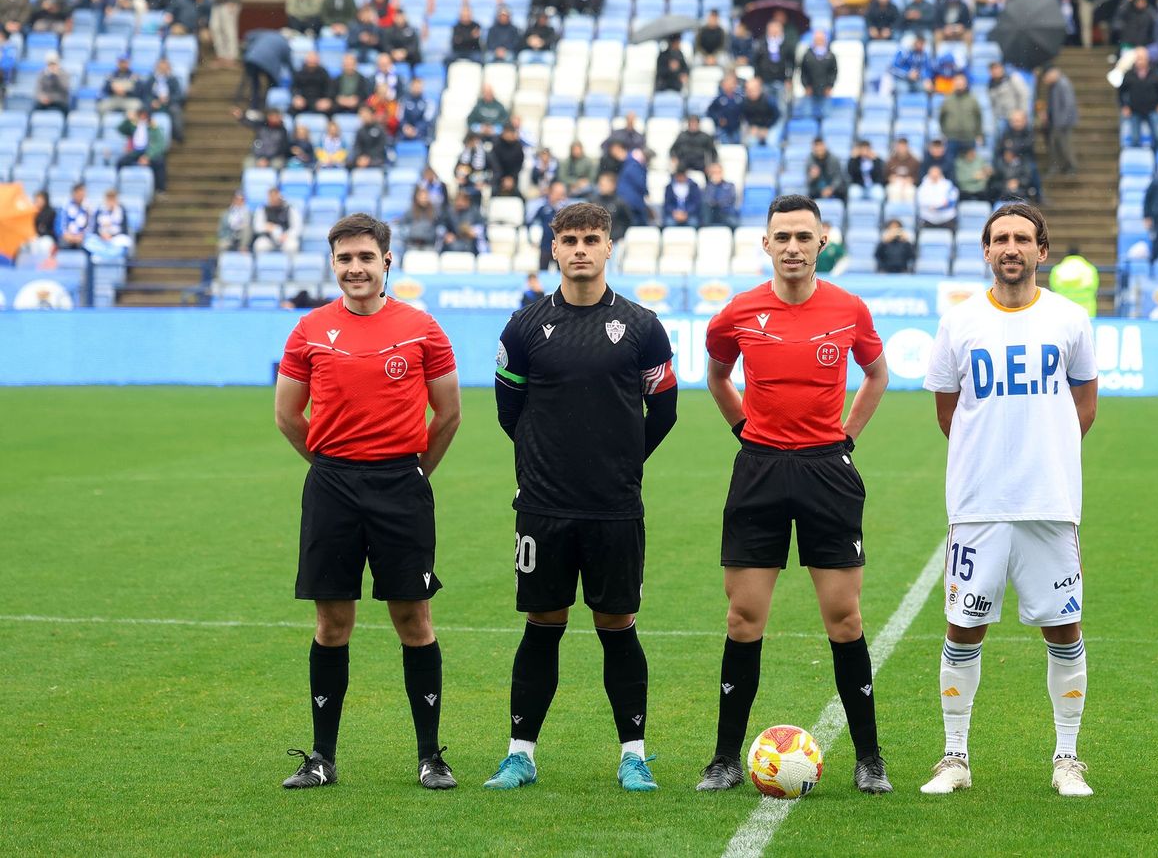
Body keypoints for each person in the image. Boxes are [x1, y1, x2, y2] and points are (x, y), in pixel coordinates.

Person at [696, 195, 892, 794]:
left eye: (804, 237)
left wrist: (845, 437)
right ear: (765, 243)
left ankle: (869, 759)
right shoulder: (737, 312)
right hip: (758, 471)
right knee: (743, 618)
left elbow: (877, 373)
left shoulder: (848, 308)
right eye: (782, 237)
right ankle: (726, 758)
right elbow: (717, 373)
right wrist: (742, 430)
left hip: (826, 472)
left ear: (822, 242)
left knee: (845, 618)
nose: (793, 247)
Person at [482, 201, 678, 793]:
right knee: (544, 622)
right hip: (542, 508)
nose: (580, 249)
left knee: (617, 622)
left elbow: (664, 411)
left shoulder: (643, 326)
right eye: (569, 239)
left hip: (615, 507)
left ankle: (634, 756)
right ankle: (520, 754)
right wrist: (547, 465)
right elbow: (507, 410)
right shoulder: (523, 327)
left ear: (609, 246)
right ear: (554, 249)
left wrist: (620, 464)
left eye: (591, 238)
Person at [274, 214, 461, 792]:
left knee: (413, 618)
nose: (355, 267)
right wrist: (332, 468)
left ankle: (431, 756)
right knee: (332, 622)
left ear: (386, 262)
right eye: (344, 258)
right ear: (334, 264)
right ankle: (322, 758)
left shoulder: (422, 328)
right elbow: (286, 414)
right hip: (332, 486)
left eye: (365, 257)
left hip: (401, 487)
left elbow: (448, 413)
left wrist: (410, 474)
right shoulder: (309, 329)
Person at [919, 203, 1098, 799]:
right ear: (987, 251)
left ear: (1041, 251)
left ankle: (1068, 758)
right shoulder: (959, 322)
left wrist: (1045, 454)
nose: (1012, 248)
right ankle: (954, 757)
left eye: (1024, 238)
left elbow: (1085, 407)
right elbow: (950, 411)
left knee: (1064, 629)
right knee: (963, 626)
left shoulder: (1070, 320)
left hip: (1049, 503)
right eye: (1001, 239)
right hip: (978, 504)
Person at [1118, 49, 1158, 148]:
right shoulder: (1129, 75)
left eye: (1142, 59)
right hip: (1135, 110)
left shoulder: (1155, 73)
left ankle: (1155, 159)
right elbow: (1121, 92)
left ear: (1147, 59)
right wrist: (1124, 106)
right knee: (1135, 138)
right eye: (1138, 59)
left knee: (1157, 137)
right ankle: (1136, 159)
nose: (1140, 61)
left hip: (1152, 109)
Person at [799, 29, 838, 120]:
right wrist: (806, 86)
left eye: (821, 39)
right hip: (810, 90)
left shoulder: (831, 55)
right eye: (817, 39)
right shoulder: (807, 55)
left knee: (827, 116)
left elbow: (834, 72)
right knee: (807, 116)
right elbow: (803, 72)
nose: (819, 41)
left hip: (825, 91)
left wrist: (829, 86)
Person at [1048, 248, 1098, 317]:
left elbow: (1053, 288)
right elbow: (1094, 288)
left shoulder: (1057, 269)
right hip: (1086, 310)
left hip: (1062, 310)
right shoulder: (1090, 269)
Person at [917, 164, 959, 231]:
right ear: (929, 173)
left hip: (946, 218)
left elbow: (952, 199)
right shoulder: (923, 187)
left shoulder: (948, 185)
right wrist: (935, 204)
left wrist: (938, 206)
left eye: (936, 172)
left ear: (940, 173)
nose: (934, 175)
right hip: (928, 218)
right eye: (932, 172)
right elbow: (921, 201)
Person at [701, 161, 738, 228]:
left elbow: (729, 200)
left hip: (725, 213)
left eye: (718, 172)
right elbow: (707, 200)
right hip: (711, 214)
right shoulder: (707, 187)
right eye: (714, 173)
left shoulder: (729, 186)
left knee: (732, 221)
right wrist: (713, 185)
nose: (716, 175)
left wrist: (717, 202)